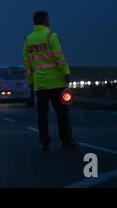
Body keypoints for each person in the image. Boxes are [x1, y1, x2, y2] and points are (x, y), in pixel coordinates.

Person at [23, 11, 77, 151]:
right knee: (62, 113)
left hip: (39, 84)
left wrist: (30, 81)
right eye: (48, 19)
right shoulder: (51, 36)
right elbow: (59, 57)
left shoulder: (28, 40)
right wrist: (66, 72)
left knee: (42, 115)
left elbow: (27, 64)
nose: (49, 21)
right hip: (55, 82)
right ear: (43, 21)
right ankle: (65, 140)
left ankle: (44, 142)